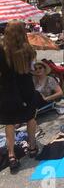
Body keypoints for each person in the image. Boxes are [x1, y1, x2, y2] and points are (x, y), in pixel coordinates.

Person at [0, 21, 38, 173]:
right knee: (30, 118)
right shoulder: (28, 49)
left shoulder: (2, 50)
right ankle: (33, 146)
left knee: (9, 123)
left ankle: (11, 155)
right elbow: (32, 68)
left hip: (7, 90)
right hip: (26, 88)